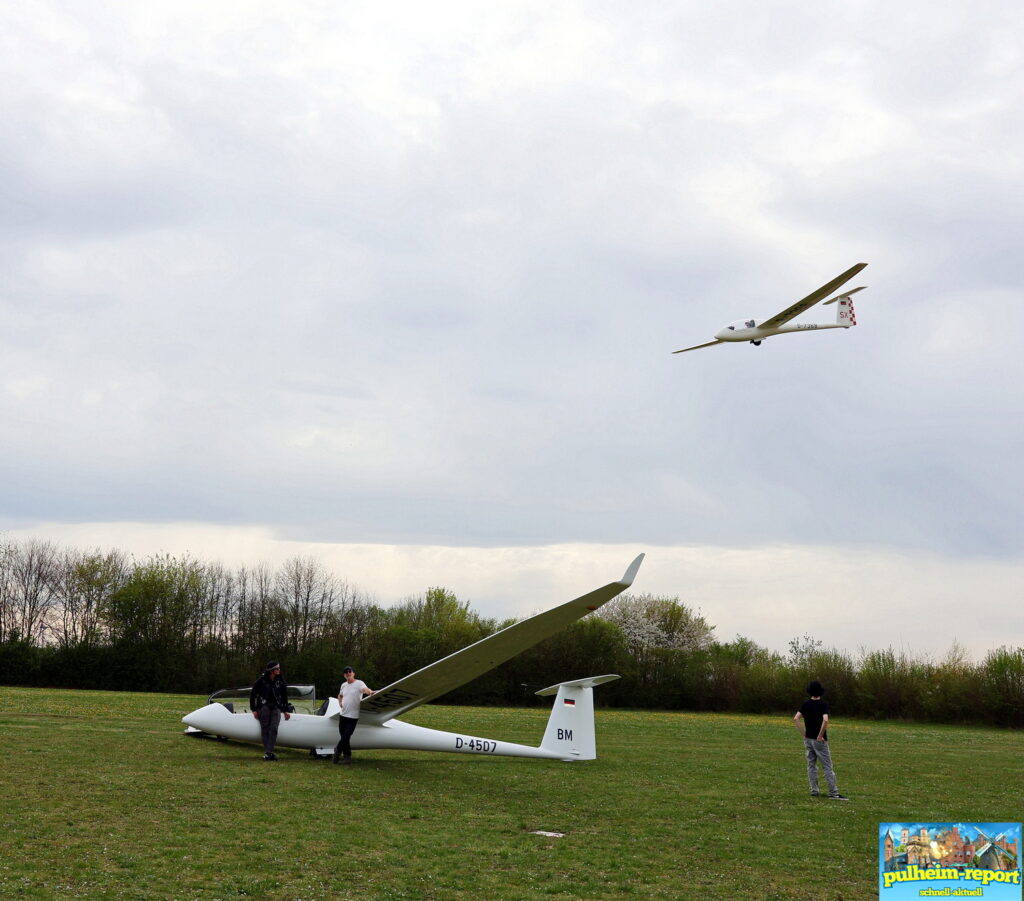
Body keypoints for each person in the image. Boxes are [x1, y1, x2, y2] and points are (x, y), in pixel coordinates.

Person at [793, 680, 849, 800]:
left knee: (811, 765)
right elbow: (826, 720)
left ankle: (814, 790)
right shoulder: (823, 705)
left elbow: (796, 718)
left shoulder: (805, 704)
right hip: (819, 741)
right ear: (820, 692)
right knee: (827, 766)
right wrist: (820, 735)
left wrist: (804, 734)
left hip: (808, 740)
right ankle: (833, 793)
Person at [249, 660, 294, 761]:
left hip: (276, 707)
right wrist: (254, 709)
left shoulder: (281, 680)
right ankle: (269, 753)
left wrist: (286, 710)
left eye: (279, 668)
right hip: (263, 706)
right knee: (265, 728)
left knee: (273, 728)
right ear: (271, 671)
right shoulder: (261, 680)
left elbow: (284, 696)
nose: (279, 670)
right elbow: (253, 694)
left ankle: (268, 752)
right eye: (277, 669)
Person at [334, 666, 374, 765]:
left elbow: (365, 690)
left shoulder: (359, 683)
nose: (348, 673)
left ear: (353, 673)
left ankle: (337, 751)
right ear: (344, 675)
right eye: (346, 672)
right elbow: (340, 695)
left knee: (346, 735)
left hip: (353, 716)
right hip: (343, 715)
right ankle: (347, 758)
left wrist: (370, 692)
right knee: (344, 737)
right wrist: (340, 702)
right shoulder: (343, 685)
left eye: (349, 671)